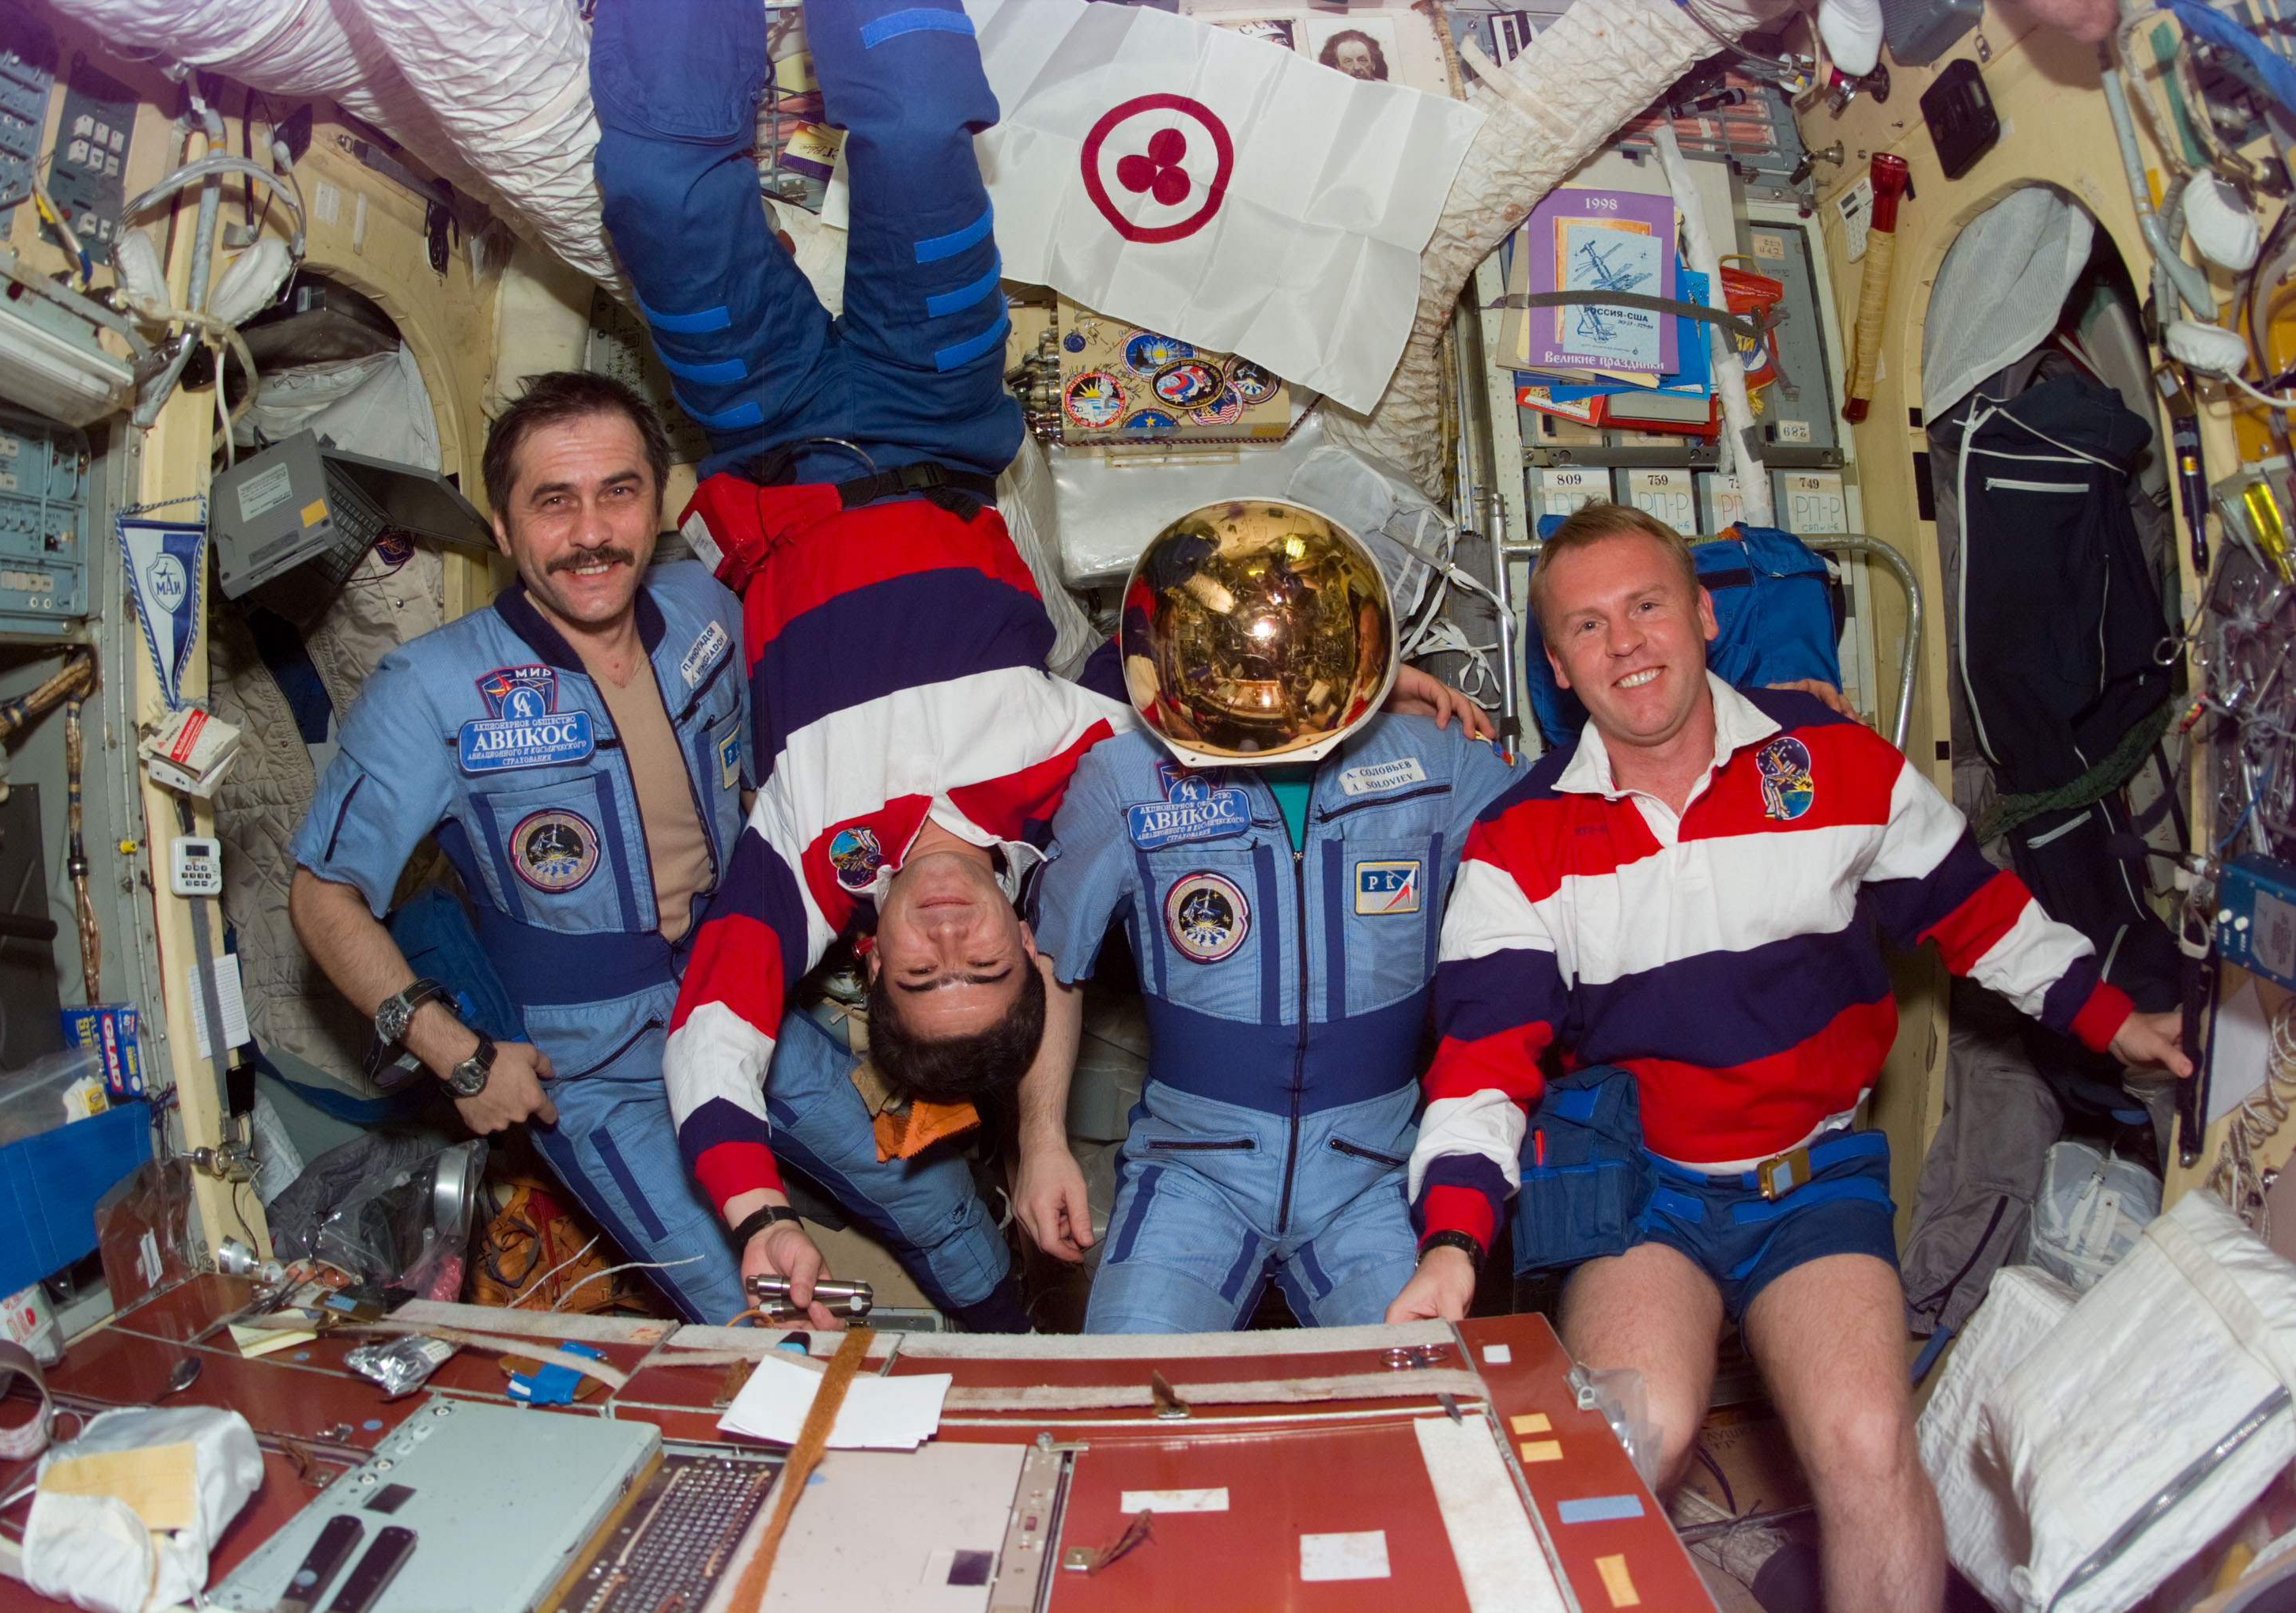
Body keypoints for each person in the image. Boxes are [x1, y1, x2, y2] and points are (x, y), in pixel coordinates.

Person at [1388, 503, 2191, 1611]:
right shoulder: (1519, 843)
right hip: (1646, 1192)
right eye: (1586, 626)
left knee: (1867, 1439)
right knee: (1628, 1435)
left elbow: (1974, 911)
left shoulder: (1836, 766)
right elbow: (1482, 1060)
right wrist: (1452, 1242)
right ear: (1561, 670)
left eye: (1646, 605)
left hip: (1810, 1175)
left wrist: (2113, 1020)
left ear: (1704, 615)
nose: (1625, 642)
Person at [591, 0, 1131, 1328]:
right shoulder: (1082, 786)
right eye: (982, 968)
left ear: (868, 958)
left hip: (755, 424)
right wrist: (1351, 710)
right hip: (932, 409)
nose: (948, 941)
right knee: (904, 125)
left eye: (919, 975)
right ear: (1027, 939)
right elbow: (1189, 667)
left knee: (654, 184)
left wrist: (757, 1211)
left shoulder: (804, 858)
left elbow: (714, 1041)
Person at [289, 372, 1020, 1330]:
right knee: (753, 1305)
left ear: (657, 502)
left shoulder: (706, 611)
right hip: (590, 1067)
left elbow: (785, 772)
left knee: (937, 1197)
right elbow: (321, 894)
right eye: (553, 502)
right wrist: (458, 1060)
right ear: (502, 529)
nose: (591, 533)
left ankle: (1026, 1348)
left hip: (741, 990)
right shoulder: (431, 691)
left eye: (618, 492)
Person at [1015, 501, 1521, 1332]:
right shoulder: (1125, 778)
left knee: (1432, 1416)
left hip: (1377, 1170)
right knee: (1126, 1412)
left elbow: (1567, 842)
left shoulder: (1437, 764)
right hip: (1193, 1169)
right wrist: (1039, 1144)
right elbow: (1053, 960)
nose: (1263, 660)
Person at [1319, 28, 1391, 81]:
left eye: (1362, 60)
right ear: (1339, 67)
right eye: (1348, 61)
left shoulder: (1388, 90)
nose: (1357, 67)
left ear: (1373, 64)